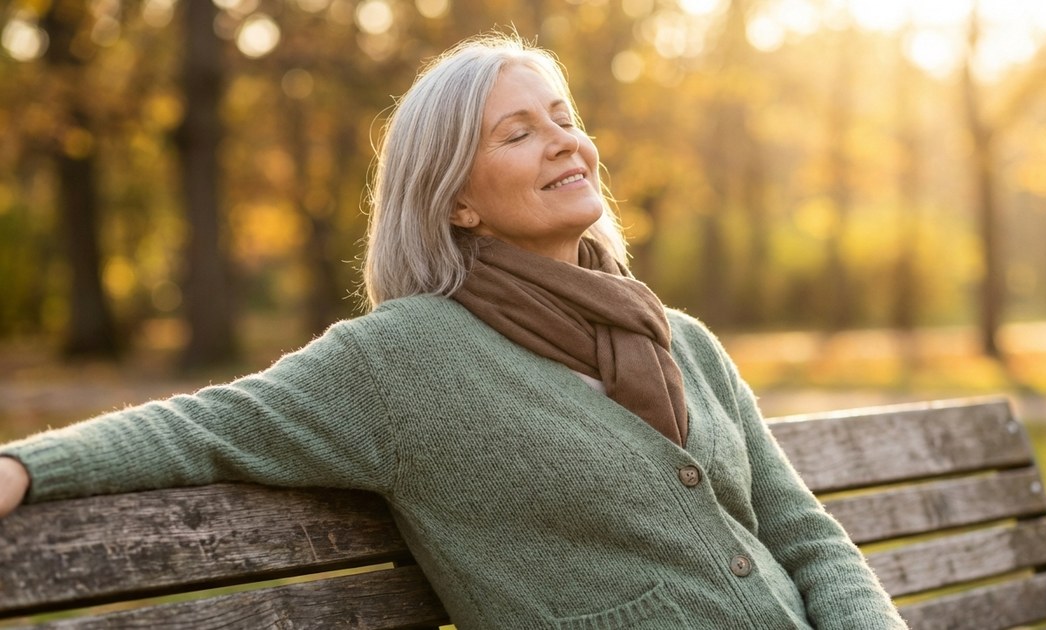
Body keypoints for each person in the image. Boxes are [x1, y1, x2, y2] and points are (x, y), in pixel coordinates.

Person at [0, 33, 907, 629]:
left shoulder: (686, 341)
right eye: (519, 133)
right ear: (457, 201)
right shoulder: (401, 362)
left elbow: (805, 537)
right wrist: (26, 466)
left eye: (565, 118)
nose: (564, 142)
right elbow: (202, 427)